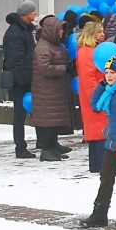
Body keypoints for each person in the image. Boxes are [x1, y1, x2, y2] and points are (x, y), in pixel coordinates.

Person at [80, 56, 116, 230]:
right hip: (112, 141)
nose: (109, 76)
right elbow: (94, 105)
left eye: (113, 72)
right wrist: (102, 85)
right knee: (106, 178)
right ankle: (99, 213)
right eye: (106, 73)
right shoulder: (111, 90)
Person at [32, 15, 74, 162]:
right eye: (60, 29)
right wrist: (64, 68)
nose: (62, 32)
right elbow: (45, 68)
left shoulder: (53, 45)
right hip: (46, 91)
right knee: (48, 122)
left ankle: (53, 146)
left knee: (53, 121)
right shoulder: (43, 47)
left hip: (53, 90)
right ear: (52, 30)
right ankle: (47, 150)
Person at [2, 0, 39, 159]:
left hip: (27, 77)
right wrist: (26, 80)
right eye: (32, 11)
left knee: (28, 112)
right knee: (19, 115)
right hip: (21, 81)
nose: (35, 13)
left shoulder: (24, 30)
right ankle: (20, 147)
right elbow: (15, 60)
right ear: (25, 13)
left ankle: (39, 142)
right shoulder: (15, 33)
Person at [75, 21, 107, 172]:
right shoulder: (88, 52)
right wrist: (97, 97)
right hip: (95, 96)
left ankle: (96, 165)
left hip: (94, 95)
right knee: (99, 130)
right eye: (99, 31)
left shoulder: (88, 51)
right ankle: (100, 165)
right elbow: (89, 78)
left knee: (95, 131)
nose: (102, 34)